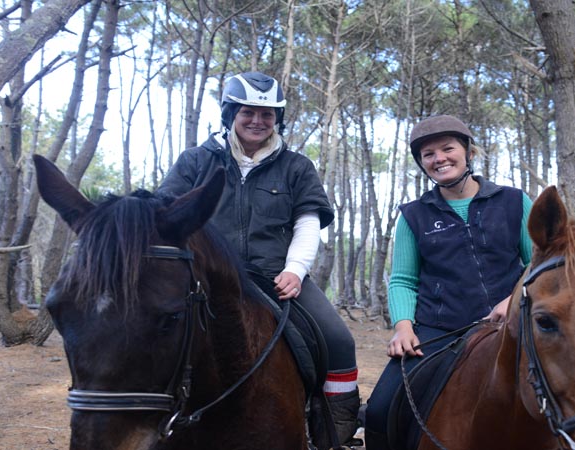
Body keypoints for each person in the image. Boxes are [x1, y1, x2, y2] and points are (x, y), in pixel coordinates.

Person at [158, 71, 361, 446]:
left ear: (277, 119)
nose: (257, 121)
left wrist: (296, 270)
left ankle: (335, 432)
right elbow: (166, 215)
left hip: (277, 276)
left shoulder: (297, 166)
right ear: (231, 113)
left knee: (339, 340)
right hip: (208, 278)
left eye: (267, 115)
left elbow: (307, 222)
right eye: (248, 112)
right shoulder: (195, 161)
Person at [363, 115, 533, 449]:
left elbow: (538, 263)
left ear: (469, 152)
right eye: (428, 154)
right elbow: (402, 280)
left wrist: (512, 300)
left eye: (447, 148)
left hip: (512, 323)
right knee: (379, 410)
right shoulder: (414, 215)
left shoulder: (514, 201)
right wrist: (403, 327)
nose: (438, 158)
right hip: (440, 329)